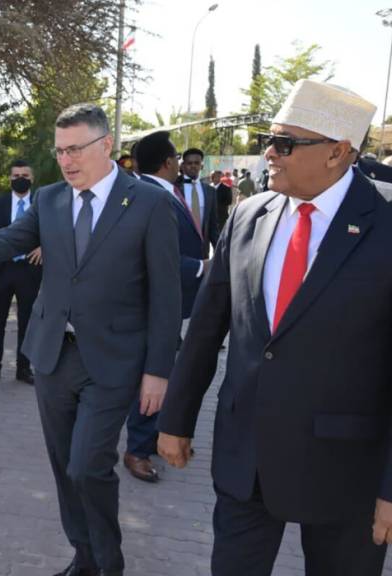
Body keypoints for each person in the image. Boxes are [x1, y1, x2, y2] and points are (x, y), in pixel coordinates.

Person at [0, 103, 181, 576]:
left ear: (106, 146)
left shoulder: (149, 204)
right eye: (60, 152)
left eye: (76, 149)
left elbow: (166, 294)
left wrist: (159, 370)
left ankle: (107, 564)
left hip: (114, 360)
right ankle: (85, 559)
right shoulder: (51, 199)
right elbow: (5, 240)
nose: (67, 161)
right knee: (62, 467)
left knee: (87, 466)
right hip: (54, 354)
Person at [158, 79, 392, 575]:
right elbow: (205, 329)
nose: (269, 153)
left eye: (285, 143)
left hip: (344, 474)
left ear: (339, 152)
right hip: (246, 461)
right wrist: (176, 420)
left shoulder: (385, 231)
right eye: (270, 139)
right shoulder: (248, 216)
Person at [120, 131, 207, 483]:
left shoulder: (157, 191)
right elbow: (150, 256)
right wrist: (202, 267)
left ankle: (154, 436)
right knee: (153, 374)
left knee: (166, 371)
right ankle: (137, 450)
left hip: (167, 301)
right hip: (152, 304)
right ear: (170, 162)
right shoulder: (149, 196)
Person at [0, 159, 41, 387]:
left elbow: (54, 231)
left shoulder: (41, 203)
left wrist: (43, 246)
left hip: (30, 270)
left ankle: (24, 369)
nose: (20, 179)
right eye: (15, 176)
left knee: (27, 323)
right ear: (9, 179)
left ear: (32, 178)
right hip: (2, 270)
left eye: (24, 175)